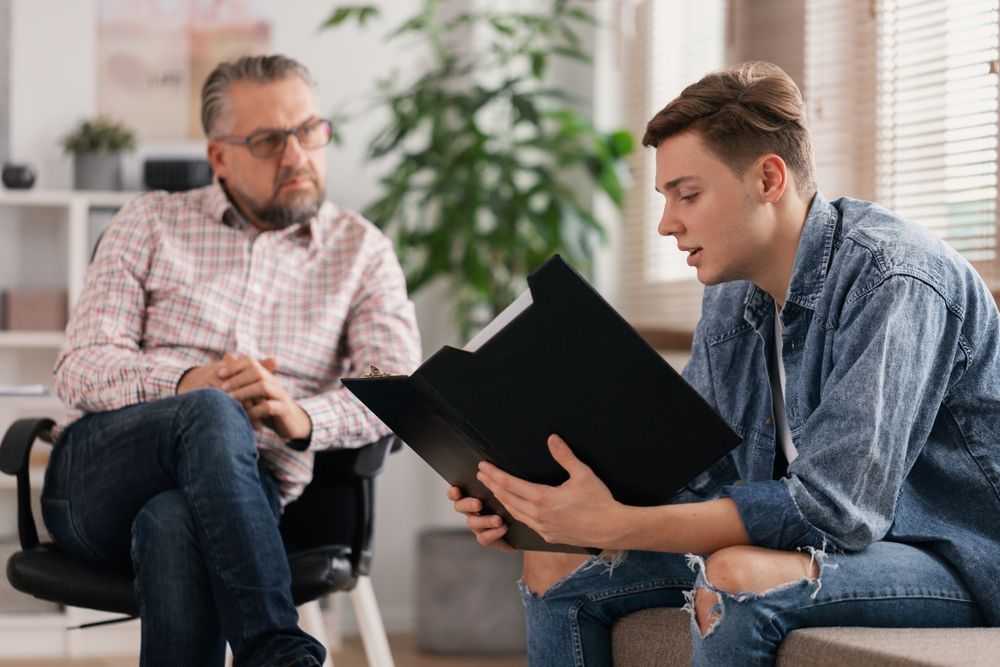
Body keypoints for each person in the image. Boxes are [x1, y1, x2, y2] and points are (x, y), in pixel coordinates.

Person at [449, 61, 1000, 665]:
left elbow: (835, 511)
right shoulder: (733, 292)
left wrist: (616, 526)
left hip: (956, 555)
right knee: (554, 560)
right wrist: (548, 516)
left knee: (736, 573)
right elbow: (697, 474)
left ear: (768, 179)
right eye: (664, 199)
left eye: (687, 194)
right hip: (845, 544)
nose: (667, 224)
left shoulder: (895, 278)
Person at [44, 54, 422, 666]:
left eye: (309, 131)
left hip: (246, 491)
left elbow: (398, 385)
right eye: (270, 140)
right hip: (100, 479)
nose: (297, 155)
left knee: (173, 522)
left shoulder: (361, 251)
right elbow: (80, 366)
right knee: (212, 409)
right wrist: (190, 384)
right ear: (219, 155)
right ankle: (276, 649)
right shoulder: (149, 222)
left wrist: (301, 416)